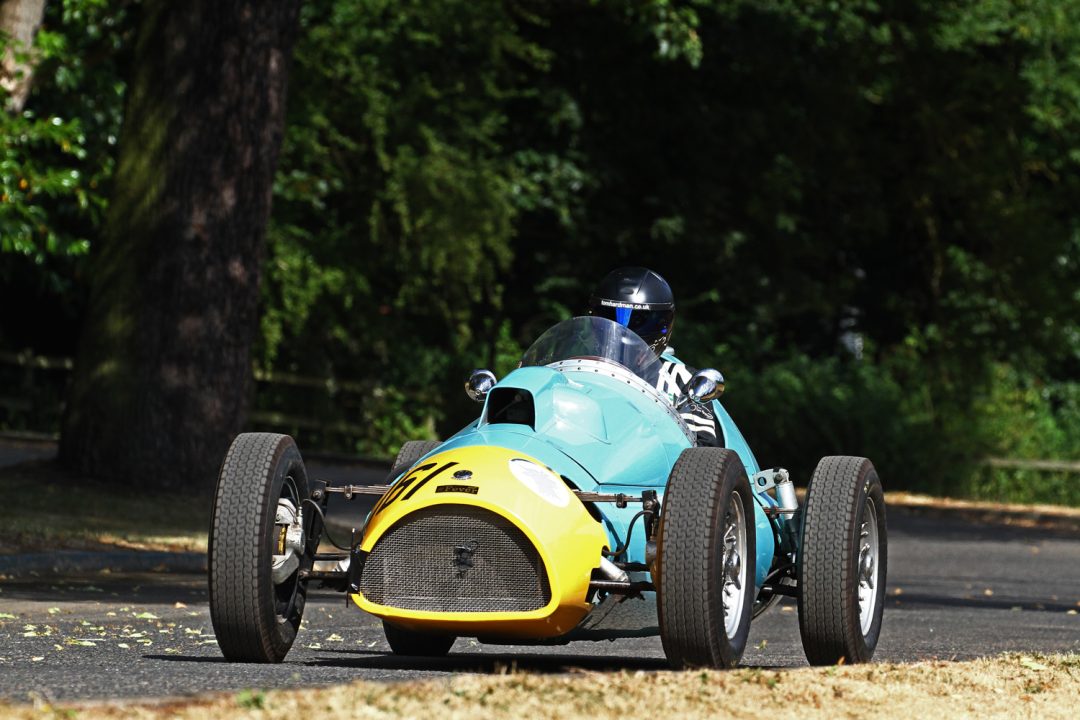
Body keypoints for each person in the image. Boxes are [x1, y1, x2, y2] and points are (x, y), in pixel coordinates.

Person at [586, 267, 719, 446]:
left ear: (664, 323)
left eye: (638, 321)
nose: (622, 330)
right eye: (609, 317)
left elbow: (703, 453)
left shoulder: (683, 381)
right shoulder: (575, 369)